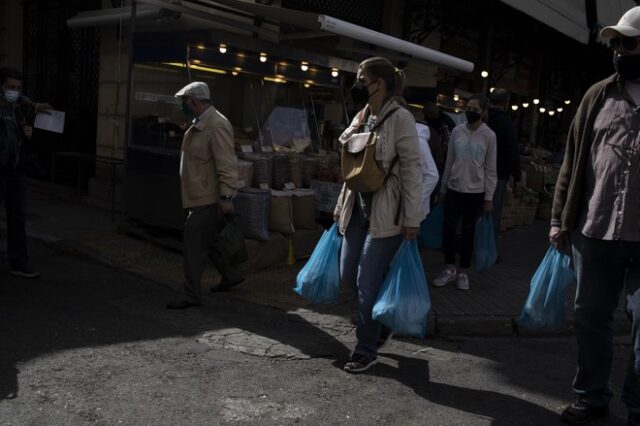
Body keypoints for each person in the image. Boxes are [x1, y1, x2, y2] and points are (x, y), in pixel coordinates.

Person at [550, 7, 640, 425]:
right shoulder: (598, 95)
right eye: (616, 42)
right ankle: (592, 398)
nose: (620, 50)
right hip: (596, 230)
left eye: (630, 42)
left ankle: (638, 404)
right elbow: (573, 160)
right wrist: (558, 220)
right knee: (590, 317)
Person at [334, 57, 423, 373]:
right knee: (348, 275)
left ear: (379, 84)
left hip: (388, 212)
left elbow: (414, 169)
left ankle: (365, 348)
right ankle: (381, 324)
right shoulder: (362, 115)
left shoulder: (402, 119)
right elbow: (348, 156)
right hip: (357, 209)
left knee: (367, 281)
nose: (356, 86)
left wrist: (413, 218)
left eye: (362, 80)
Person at [166, 81, 244, 310]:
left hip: (207, 198)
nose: (182, 106)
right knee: (210, 241)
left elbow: (227, 163)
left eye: (184, 102)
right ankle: (231, 275)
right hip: (200, 195)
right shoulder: (201, 122)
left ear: (193, 101)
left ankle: (191, 294)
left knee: (193, 244)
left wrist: (226, 197)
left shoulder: (216, 124)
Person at [433, 94, 497, 291]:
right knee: (449, 230)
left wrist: (488, 197)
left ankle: (463, 272)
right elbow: (450, 160)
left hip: (476, 192)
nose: (470, 111)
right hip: (454, 188)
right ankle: (449, 267)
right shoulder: (457, 132)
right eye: (468, 107)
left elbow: (491, 169)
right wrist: (443, 188)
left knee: (468, 233)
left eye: (475, 109)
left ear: (483, 112)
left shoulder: (489, 136)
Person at [0, 67, 50, 278]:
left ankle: (19, 262)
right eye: (10, 87)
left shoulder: (19, 105)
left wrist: (28, 130)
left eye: (18, 88)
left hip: (16, 169)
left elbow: (27, 101)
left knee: (18, 216)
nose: (14, 91)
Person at [486, 88, 521, 257]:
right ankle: (489, 250)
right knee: (493, 213)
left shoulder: (483, 119)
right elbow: (511, 150)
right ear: (506, 103)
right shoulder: (505, 122)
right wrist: (517, 174)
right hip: (498, 174)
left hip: (477, 173)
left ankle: (468, 245)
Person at [395, 97, 439, 217]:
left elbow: (432, 175)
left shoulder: (418, 141)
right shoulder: (395, 136)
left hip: (410, 211)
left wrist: (414, 201)